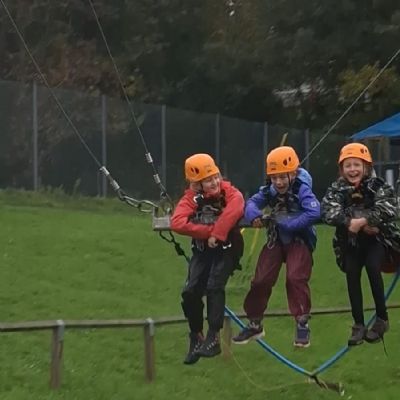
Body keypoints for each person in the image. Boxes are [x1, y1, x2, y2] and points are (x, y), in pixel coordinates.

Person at [232, 146, 320, 348]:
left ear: (293, 173)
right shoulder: (270, 190)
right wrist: (254, 216)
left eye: (282, 177)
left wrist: (291, 224)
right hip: (276, 240)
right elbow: (251, 203)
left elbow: (314, 212)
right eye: (274, 177)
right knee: (261, 280)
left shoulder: (302, 189)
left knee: (295, 278)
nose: (279, 182)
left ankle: (302, 322)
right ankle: (255, 323)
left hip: (299, 241)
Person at [321, 142, 400, 346]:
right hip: (350, 243)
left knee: (373, 267)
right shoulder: (337, 189)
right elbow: (328, 211)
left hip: (377, 241)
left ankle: (382, 319)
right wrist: (350, 222)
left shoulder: (378, 185)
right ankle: (359, 324)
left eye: (357, 165)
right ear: (342, 169)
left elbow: (390, 207)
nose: (353, 170)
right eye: (348, 165)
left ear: (366, 166)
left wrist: (364, 221)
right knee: (352, 272)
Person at [171, 153, 244, 364]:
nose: (214, 183)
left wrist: (218, 233)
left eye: (215, 177)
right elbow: (177, 222)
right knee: (190, 292)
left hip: (227, 248)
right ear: (196, 185)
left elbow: (236, 206)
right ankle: (196, 335)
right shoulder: (192, 199)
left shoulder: (228, 192)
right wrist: (207, 232)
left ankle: (213, 336)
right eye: (208, 180)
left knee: (214, 285)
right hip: (203, 251)